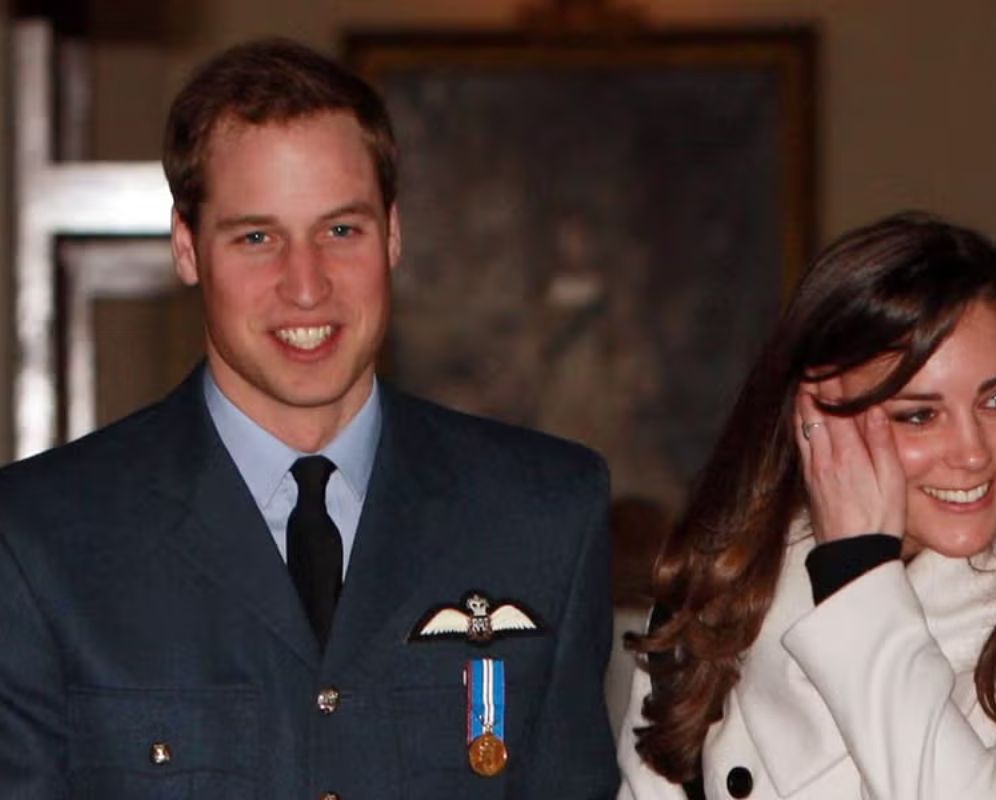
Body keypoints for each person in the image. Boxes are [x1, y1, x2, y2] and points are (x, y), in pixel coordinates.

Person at [0, 39, 617, 798]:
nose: (305, 285)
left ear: (393, 234)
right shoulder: (42, 539)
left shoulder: (544, 514)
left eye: (341, 231)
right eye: (257, 237)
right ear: (187, 248)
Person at [617, 213, 996, 799]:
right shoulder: (723, 580)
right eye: (920, 414)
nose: (972, 452)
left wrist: (858, 575)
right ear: (819, 418)